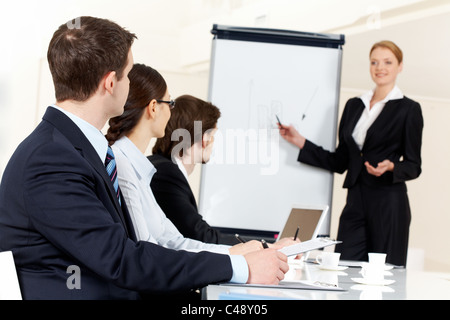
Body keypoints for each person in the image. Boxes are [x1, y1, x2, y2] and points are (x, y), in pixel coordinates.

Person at [0, 16, 288, 300]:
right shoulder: (51, 160)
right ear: (110, 83)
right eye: (127, 74)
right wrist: (239, 267)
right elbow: (122, 260)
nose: (129, 84)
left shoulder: (75, 149)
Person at [278, 40, 423, 267]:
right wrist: (300, 141)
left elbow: (414, 165)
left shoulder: (409, 109)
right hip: (356, 199)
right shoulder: (354, 105)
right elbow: (340, 160)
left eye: (387, 62)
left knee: (386, 272)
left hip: (389, 202)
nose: (380, 67)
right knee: (343, 266)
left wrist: (392, 166)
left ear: (400, 66)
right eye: (374, 62)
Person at [105, 64, 268, 257]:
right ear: (154, 108)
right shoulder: (125, 166)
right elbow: (146, 252)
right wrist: (233, 261)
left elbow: (172, 240)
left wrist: (234, 252)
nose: (171, 111)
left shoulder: (142, 169)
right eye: (169, 103)